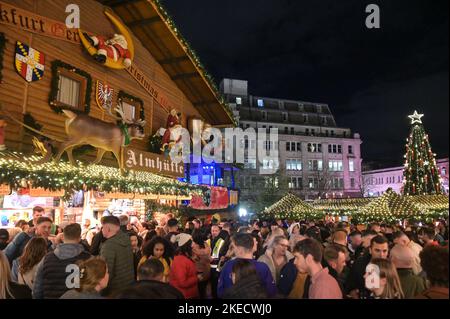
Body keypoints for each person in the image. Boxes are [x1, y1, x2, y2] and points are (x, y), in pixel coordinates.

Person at [33, 223, 91, 299]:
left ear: (63, 237)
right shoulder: (89, 259)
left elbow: (37, 289)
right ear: (79, 238)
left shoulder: (47, 258)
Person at [217, 233, 277, 298]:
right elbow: (271, 292)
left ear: (239, 248)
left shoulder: (228, 265)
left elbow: (220, 292)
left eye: (233, 246)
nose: (232, 249)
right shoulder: (262, 267)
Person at [346, 235, 389, 299]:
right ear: (370, 250)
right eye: (377, 250)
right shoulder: (359, 264)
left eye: (384, 251)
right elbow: (350, 286)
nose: (381, 255)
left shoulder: (391, 266)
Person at [100, 216, 134, 296]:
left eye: (103, 227)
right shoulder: (126, 239)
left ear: (107, 229)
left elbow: (107, 271)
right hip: (128, 285)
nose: (102, 230)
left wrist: (102, 292)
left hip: (114, 290)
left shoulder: (109, 245)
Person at [169, 233, 199, 299]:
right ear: (187, 245)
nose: (193, 244)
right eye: (191, 242)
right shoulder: (179, 260)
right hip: (184, 295)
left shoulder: (184, 257)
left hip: (188, 294)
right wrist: (197, 278)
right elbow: (182, 283)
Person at [209, 224, 228, 298]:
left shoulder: (222, 241)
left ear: (219, 231)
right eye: (212, 231)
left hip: (217, 267)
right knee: (213, 287)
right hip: (210, 267)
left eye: (216, 231)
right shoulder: (208, 240)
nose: (214, 232)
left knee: (217, 286)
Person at [192, 232, 211, 299]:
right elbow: (209, 258)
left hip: (198, 271)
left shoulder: (193, 247)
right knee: (203, 289)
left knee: (198, 291)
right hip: (207, 270)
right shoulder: (207, 245)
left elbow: (193, 258)